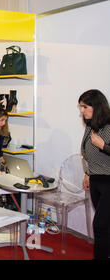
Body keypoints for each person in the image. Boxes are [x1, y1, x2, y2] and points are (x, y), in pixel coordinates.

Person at [79, 89, 110, 260]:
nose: (82, 111)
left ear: (96, 106)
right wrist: (87, 173)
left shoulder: (109, 126)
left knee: (99, 225)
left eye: (85, 107)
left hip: (108, 180)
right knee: (105, 226)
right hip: (96, 179)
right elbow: (86, 151)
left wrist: (103, 146)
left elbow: (102, 148)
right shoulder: (91, 125)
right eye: (81, 107)